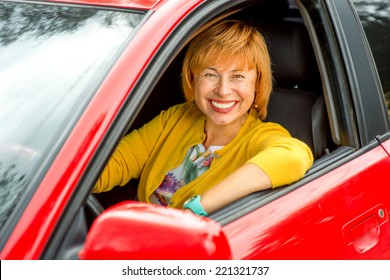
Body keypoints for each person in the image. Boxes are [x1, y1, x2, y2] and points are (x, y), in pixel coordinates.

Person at [93, 20, 313, 216]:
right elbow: (113, 164)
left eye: (237, 76)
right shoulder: (176, 118)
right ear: (193, 78)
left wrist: (197, 208)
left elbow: (294, 157)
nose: (223, 90)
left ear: (257, 84)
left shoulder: (259, 137)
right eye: (210, 74)